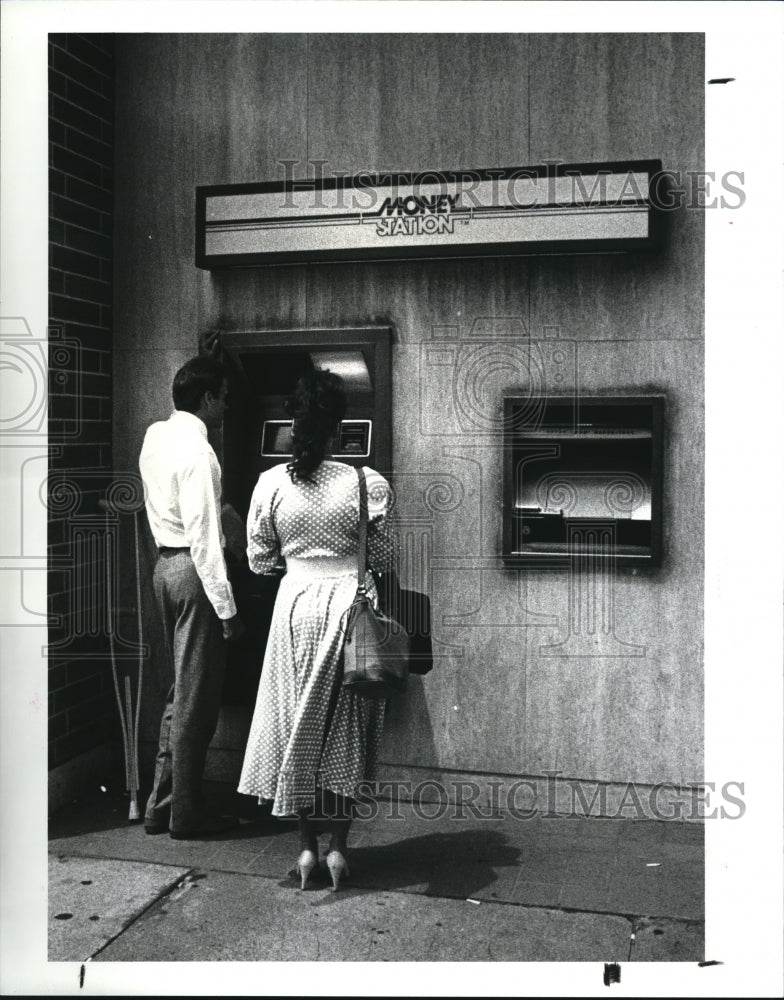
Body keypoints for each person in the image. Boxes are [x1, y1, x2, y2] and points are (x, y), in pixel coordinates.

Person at [237, 369, 395, 890]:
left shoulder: (270, 484)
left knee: (295, 728)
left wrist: (300, 563)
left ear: (293, 424)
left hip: (294, 609)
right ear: (339, 428)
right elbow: (386, 557)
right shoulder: (363, 482)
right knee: (345, 731)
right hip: (349, 610)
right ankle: (338, 850)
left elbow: (260, 561)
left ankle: (304, 849)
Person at [139, 355, 245, 839]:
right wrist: (227, 609)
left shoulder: (155, 436)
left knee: (177, 692)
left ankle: (160, 806)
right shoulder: (200, 455)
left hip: (164, 567)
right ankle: (187, 814)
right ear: (206, 399)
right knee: (197, 699)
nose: (227, 406)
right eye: (224, 396)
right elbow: (205, 539)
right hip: (194, 573)